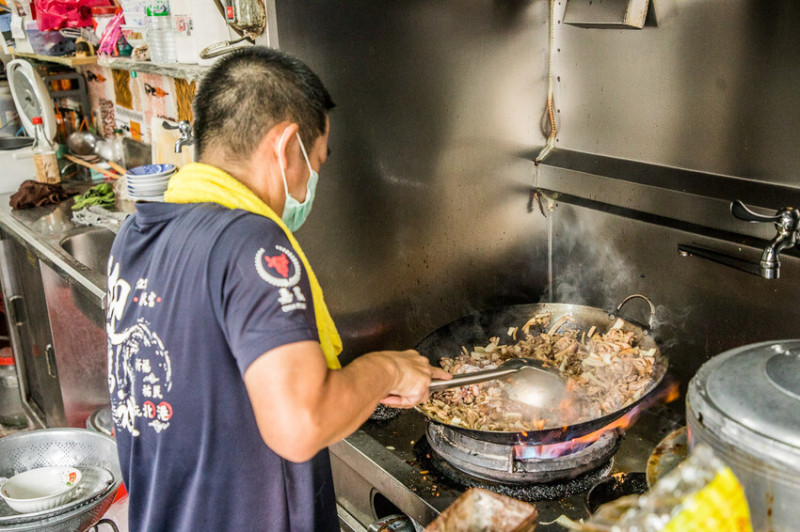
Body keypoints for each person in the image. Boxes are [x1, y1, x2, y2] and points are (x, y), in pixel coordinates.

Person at [105, 46, 451, 532]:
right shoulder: (251, 244)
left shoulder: (140, 233)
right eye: (317, 163)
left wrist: (354, 389)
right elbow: (300, 425)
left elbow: (215, 387)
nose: (309, 188)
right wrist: (386, 368)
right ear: (287, 146)